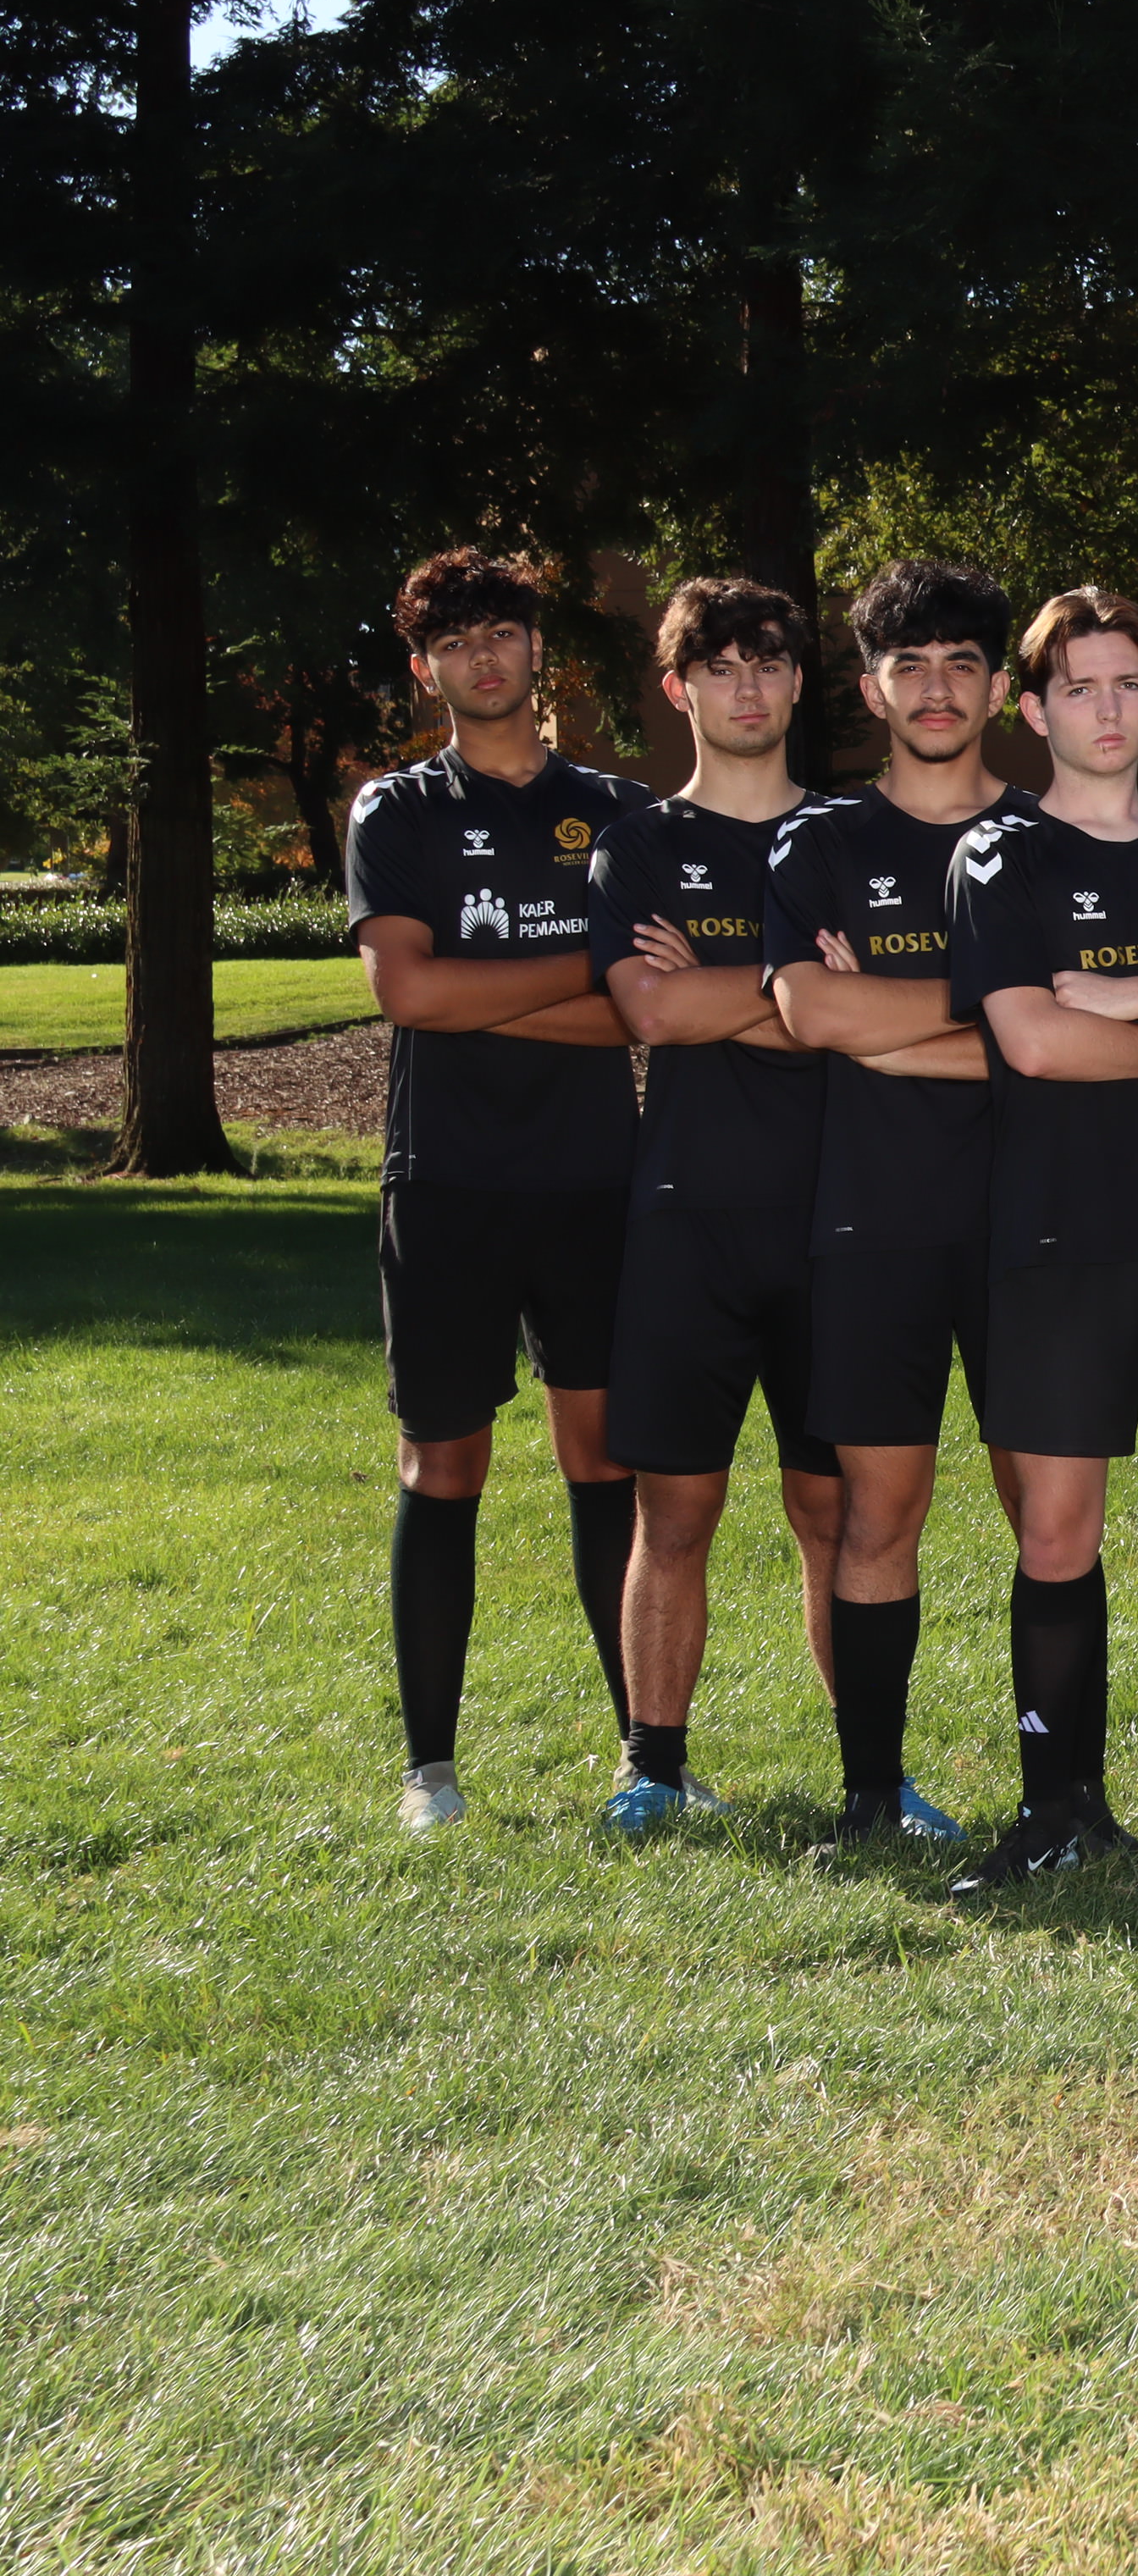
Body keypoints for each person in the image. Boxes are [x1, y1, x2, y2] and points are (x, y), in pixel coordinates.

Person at [345, 546, 651, 1832]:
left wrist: (488, 996)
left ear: (538, 651)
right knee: (443, 1464)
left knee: (604, 1459)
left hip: (595, 1182)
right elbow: (408, 992)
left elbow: (646, 1010)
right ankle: (432, 1773)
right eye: (456, 639)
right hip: (449, 1183)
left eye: (503, 632)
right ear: (426, 669)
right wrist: (581, 975)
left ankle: (645, 1760)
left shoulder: (619, 811)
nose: (484, 655)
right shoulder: (396, 811)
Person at [936, 587, 1138, 1896]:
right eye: (1080, 688)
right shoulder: (1001, 857)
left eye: (1128, 684)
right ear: (1034, 710)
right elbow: (1035, 1044)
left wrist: (1123, 994)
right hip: (1058, 1231)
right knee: (1056, 1532)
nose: (1108, 709)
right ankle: (1059, 1807)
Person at [760, 558, 1030, 1851]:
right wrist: (1008, 1019)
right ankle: (873, 1796)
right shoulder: (821, 841)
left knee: (1052, 1519)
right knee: (882, 1511)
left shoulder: (1046, 842)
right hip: (872, 1223)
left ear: (1000, 688)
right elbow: (812, 1013)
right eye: (908, 666)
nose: (935, 689)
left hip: (1035, 1222)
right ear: (870, 688)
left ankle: (1064, 1799)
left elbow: (1100, 1038)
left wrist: (890, 1022)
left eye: (961, 665)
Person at [589, 577, 842, 1831]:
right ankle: (653, 1767)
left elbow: (881, 1015)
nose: (749, 687)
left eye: (770, 662)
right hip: (688, 1218)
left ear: (799, 682)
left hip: (840, 1218)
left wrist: (725, 988)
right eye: (722, 666)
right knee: (675, 1506)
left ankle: (873, 1773)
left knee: (835, 1510)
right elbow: (652, 1010)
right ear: (679, 687)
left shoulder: (851, 839)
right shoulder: (639, 843)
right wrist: (805, 991)